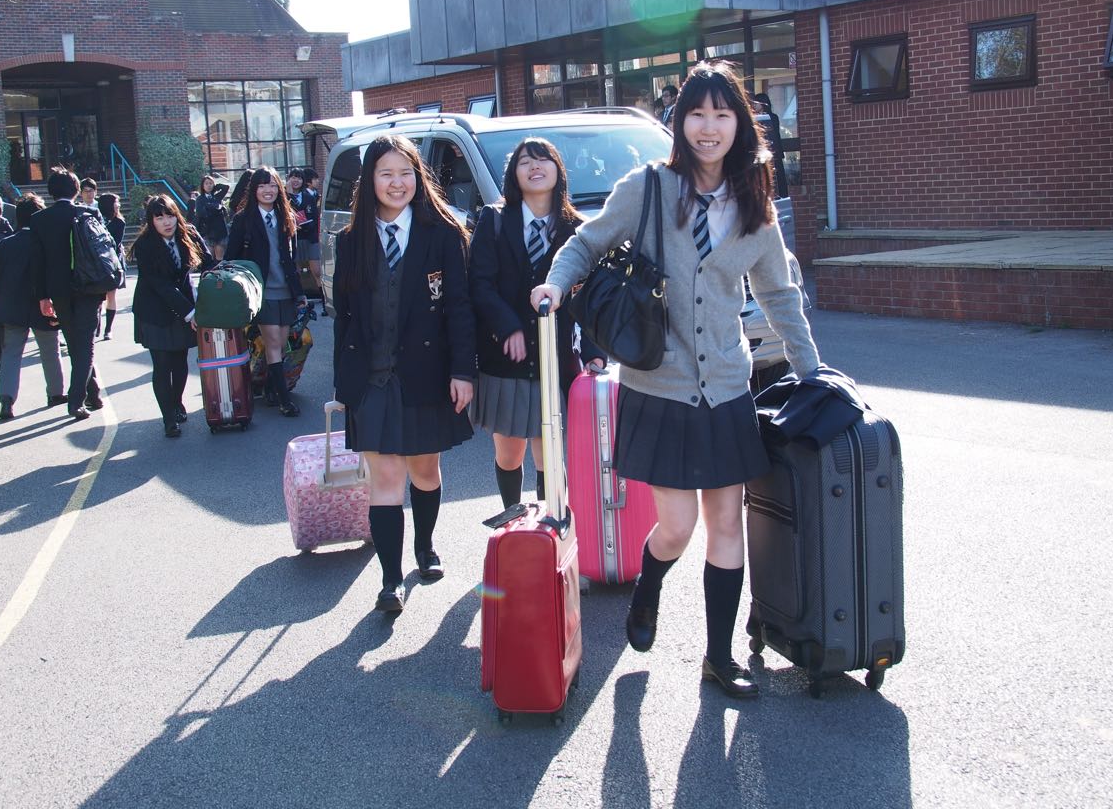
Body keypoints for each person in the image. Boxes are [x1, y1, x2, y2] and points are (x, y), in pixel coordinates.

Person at [532, 60, 820, 699]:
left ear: (739, 124)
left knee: (727, 524)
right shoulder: (649, 188)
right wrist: (554, 284)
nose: (709, 127)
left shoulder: (755, 204)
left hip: (726, 387)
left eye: (722, 114)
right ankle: (649, 585)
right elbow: (586, 243)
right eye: (697, 113)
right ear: (679, 121)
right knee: (677, 526)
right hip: (657, 385)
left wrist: (812, 372)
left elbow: (780, 295)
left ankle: (719, 658)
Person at [331, 135, 476, 615]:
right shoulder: (351, 241)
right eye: (386, 174)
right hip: (371, 378)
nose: (397, 183)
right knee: (386, 478)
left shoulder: (444, 234)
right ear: (370, 180)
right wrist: (343, 383)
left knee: (424, 470)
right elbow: (343, 318)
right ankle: (390, 580)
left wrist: (463, 371)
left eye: (405, 173)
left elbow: (460, 308)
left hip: (427, 373)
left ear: (419, 177)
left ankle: (425, 546)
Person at [469, 137, 604, 508]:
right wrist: (507, 326)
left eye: (544, 160)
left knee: (550, 452)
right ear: (514, 174)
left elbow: (590, 298)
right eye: (525, 161)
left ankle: (552, 525)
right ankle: (512, 522)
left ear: (558, 170)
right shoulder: (494, 220)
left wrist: (594, 351)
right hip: (505, 359)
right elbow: (479, 284)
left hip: (555, 359)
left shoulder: (578, 229)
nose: (535, 167)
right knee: (509, 453)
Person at [225, 166, 307, 417]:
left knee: (281, 345)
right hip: (262, 291)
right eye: (262, 185)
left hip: (286, 290)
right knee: (272, 343)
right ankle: (284, 400)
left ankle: (271, 388)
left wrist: (300, 293)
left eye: (272, 185)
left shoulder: (287, 217)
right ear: (254, 190)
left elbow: (292, 258)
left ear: (279, 188)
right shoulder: (243, 219)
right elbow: (231, 257)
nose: (267, 190)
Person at [129, 195, 210, 438]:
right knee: (162, 365)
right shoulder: (145, 245)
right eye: (159, 217)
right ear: (151, 221)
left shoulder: (189, 234)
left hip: (182, 307)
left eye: (170, 215)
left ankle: (177, 402)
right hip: (154, 311)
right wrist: (190, 312)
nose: (166, 222)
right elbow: (160, 285)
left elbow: (209, 263)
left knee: (180, 360)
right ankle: (168, 419)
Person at [28, 167, 106, 421]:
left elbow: (37, 262)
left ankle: (93, 395)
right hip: (89, 286)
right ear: (76, 190)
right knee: (85, 345)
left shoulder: (39, 220)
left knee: (75, 343)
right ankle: (77, 400)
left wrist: (42, 296)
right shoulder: (88, 213)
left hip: (59, 290)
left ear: (50, 191)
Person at [0, 194, 66, 419]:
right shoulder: (45, 243)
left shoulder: (5, 244)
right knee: (50, 351)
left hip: (12, 306)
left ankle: (7, 400)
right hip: (43, 305)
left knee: (11, 354)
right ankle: (56, 393)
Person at [286, 168, 324, 314]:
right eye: (293, 177)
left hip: (310, 237)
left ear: (303, 180)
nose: (296, 180)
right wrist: (288, 194)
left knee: (317, 270)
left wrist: (309, 225)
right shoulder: (284, 196)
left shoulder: (308, 197)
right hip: (294, 237)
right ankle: (299, 302)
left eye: (299, 178)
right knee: (295, 271)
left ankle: (323, 300)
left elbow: (314, 216)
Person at [98, 192, 125, 340]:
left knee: (111, 295)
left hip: (112, 262)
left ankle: (108, 329)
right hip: (97, 263)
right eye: (116, 202)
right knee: (97, 298)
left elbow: (115, 243)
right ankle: (97, 326)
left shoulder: (119, 222)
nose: (118, 205)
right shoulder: (96, 219)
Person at [752, 92, 789, 199]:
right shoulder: (754, 118)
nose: (754, 106)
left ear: (763, 103)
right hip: (762, 154)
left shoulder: (773, 117)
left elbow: (773, 134)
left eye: (756, 103)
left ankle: (782, 196)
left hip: (774, 152)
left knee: (779, 178)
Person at [193, 174, 230, 262]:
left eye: (210, 183)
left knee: (220, 257)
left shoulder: (216, 197)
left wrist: (216, 187)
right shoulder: (200, 199)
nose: (209, 185)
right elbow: (200, 213)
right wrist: (211, 207)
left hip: (219, 230)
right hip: (208, 231)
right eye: (206, 183)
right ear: (202, 186)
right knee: (209, 257)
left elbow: (226, 187)